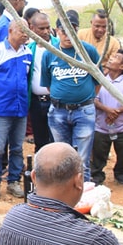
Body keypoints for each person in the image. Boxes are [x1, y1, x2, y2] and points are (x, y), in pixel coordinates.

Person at [43, 13, 101, 182]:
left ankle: (83, 195)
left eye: (72, 30)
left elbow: (98, 81)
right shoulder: (51, 53)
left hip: (84, 111)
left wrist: (86, 99)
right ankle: (64, 195)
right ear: (57, 31)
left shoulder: (88, 51)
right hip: (58, 112)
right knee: (62, 156)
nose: (68, 35)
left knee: (82, 159)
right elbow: (48, 84)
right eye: (63, 31)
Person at [0, 20, 31, 199]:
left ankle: (13, 181)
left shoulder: (28, 52)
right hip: (0, 109)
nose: (25, 34)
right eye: (21, 30)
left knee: (17, 148)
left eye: (27, 30)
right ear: (10, 30)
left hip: (21, 108)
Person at [91, 50, 123, 185]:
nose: (111, 58)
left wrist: (115, 112)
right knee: (99, 152)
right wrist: (108, 110)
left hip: (122, 126)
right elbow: (94, 99)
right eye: (112, 56)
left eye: (116, 58)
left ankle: (121, 174)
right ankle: (98, 175)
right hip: (101, 125)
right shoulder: (100, 80)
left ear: (122, 67)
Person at [27, 12, 56, 151]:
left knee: (56, 139)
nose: (46, 32)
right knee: (40, 140)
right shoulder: (28, 49)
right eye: (41, 28)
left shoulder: (58, 46)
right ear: (32, 28)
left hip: (55, 101)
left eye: (48, 28)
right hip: (36, 102)